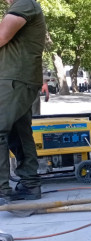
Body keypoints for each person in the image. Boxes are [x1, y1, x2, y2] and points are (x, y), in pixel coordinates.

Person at [0, 0, 46, 201]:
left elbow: (1, 36)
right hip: (18, 79)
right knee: (18, 132)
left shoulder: (25, 4)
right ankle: (29, 184)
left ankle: (2, 189)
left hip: (14, 79)